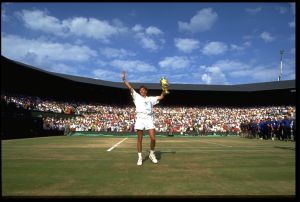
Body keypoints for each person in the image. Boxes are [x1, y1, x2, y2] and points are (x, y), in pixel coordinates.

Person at [121, 71, 166, 166]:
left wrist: (164, 88)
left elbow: (161, 97)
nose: (141, 91)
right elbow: (130, 87)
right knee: (139, 139)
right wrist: (124, 79)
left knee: (153, 139)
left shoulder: (151, 99)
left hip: (149, 118)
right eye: (140, 90)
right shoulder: (136, 96)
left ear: (146, 91)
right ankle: (140, 157)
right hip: (140, 118)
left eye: (143, 90)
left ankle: (151, 154)